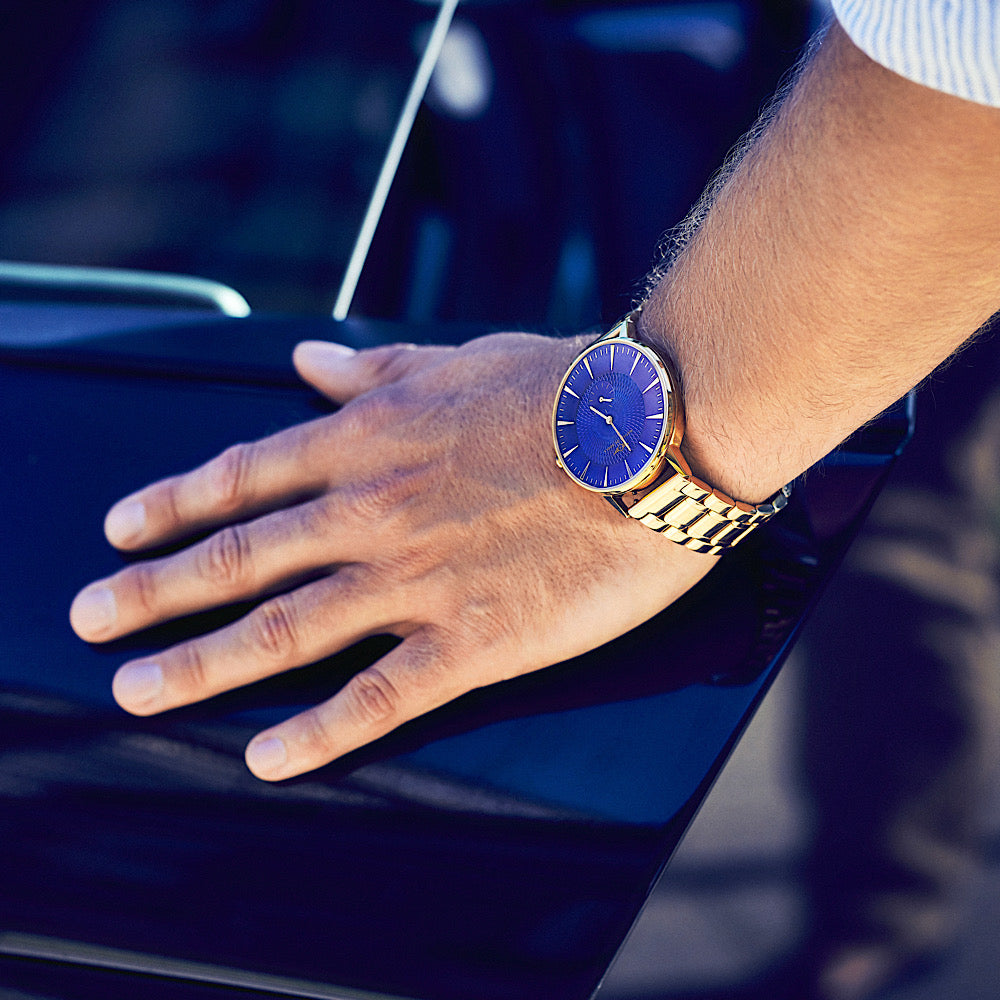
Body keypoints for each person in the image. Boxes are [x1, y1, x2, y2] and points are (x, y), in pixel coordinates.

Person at [69, 2, 1000, 806]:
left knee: (905, 548)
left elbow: (967, 46)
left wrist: (657, 456)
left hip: (841, 196)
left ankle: (880, 910)